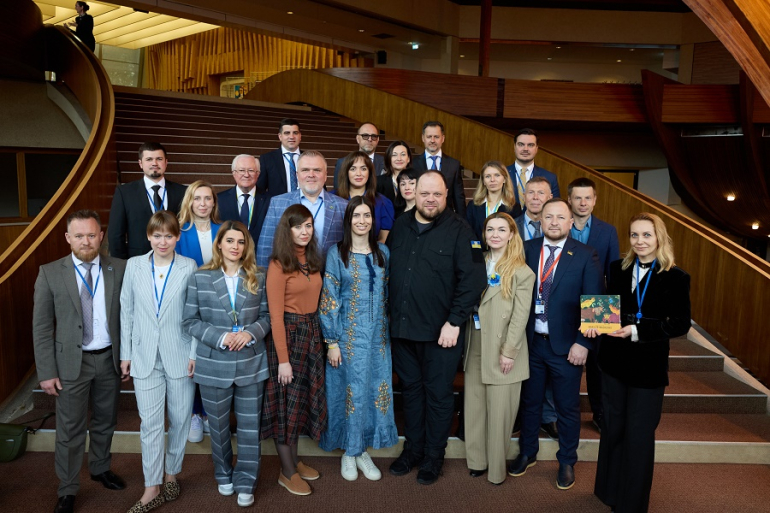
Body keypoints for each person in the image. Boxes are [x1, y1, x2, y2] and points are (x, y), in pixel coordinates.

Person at [387, 171, 486, 485]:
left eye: (437, 194)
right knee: (412, 394)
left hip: (441, 334)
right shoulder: (400, 226)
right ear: (414, 193)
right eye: (425, 193)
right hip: (402, 331)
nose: (430, 199)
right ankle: (413, 450)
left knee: (439, 396)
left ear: (447, 196)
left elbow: (473, 282)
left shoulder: (461, 230)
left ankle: (433, 456)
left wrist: (455, 321)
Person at [590, 213, 691, 513]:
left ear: (659, 238)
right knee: (614, 428)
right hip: (613, 363)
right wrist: (594, 323)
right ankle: (609, 492)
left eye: (646, 235)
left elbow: (680, 324)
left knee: (639, 434)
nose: (640, 241)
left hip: (648, 368)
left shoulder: (676, 276)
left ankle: (631, 504)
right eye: (634, 235)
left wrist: (637, 330)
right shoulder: (617, 268)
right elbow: (606, 308)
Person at [32, 210, 127, 513]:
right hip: (71, 363)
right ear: (68, 238)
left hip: (109, 359)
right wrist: (46, 372)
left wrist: (128, 356)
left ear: (101, 236)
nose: (86, 241)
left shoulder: (120, 268)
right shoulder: (50, 272)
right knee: (70, 430)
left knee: (105, 421)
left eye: (91, 235)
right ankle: (68, 488)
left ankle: (100, 468)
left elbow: (131, 318)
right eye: (79, 236)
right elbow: (42, 327)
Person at [507, 198, 603, 490]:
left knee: (567, 407)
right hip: (532, 343)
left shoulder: (587, 255)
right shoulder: (527, 249)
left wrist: (582, 343)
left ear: (570, 222)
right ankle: (527, 452)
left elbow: (596, 305)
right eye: (549, 217)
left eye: (561, 217)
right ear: (541, 220)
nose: (554, 222)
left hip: (567, 347)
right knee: (530, 403)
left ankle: (567, 461)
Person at [182, 220, 271, 508]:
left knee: (248, 428)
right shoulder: (200, 278)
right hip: (213, 364)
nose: (235, 246)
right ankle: (223, 474)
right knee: (218, 428)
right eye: (230, 241)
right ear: (219, 243)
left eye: (241, 242)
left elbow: (268, 317)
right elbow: (190, 321)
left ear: (247, 246)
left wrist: (249, 333)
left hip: (250, 363)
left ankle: (246, 480)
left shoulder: (259, 275)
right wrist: (220, 337)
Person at [119, 212, 198, 513]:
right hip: (143, 356)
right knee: (150, 424)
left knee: (179, 421)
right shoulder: (134, 265)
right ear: (148, 236)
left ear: (177, 237)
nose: (162, 241)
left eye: (168, 235)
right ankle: (151, 486)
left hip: (179, 354)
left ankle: (171, 476)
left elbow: (195, 313)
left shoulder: (188, 267)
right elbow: (126, 311)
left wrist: (193, 353)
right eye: (157, 235)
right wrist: (126, 353)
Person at [319, 196, 398, 481]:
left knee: (372, 391)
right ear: (348, 220)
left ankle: (361, 449)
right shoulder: (336, 253)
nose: (362, 221)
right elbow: (329, 299)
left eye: (367, 216)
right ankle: (349, 453)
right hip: (346, 340)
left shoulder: (383, 253)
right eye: (357, 216)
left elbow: (388, 297)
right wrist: (332, 342)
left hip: (378, 340)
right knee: (349, 392)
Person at [464, 212, 534, 485]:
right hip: (476, 344)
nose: (494, 234)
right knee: (476, 408)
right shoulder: (475, 262)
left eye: (501, 229)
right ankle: (477, 461)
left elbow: (520, 315)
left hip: (504, 348)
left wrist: (509, 352)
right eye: (490, 229)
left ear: (511, 234)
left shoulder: (521, 270)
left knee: (499, 413)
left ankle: (496, 470)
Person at [263, 205, 327, 496]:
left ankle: (295, 460)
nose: (304, 231)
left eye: (309, 226)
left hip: (311, 334)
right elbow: (275, 317)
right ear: (287, 230)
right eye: (298, 226)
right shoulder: (279, 264)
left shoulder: (313, 260)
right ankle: (286, 472)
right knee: (285, 405)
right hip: (287, 338)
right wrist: (283, 361)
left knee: (300, 403)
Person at [567, 177, 621, 432]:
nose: (583, 202)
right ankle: (562, 416)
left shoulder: (607, 230)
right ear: (569, 200)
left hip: (597, 305)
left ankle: (600, 414)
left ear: (595, 200)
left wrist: (608, 317)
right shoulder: (560, 225)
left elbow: (613, 272)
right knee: (565, 363)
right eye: (578, 197)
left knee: (598, 365)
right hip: (564, 303)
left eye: (588, 197)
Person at [175, 180, 222, 443]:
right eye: (197, 198)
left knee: (211, 361)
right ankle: (194, 413)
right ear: (189, 202)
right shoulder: (179, 232)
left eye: (208, 198)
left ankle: (207, 413)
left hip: (218, 305)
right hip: (189, 304)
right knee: (191, 361)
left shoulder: (222, 229)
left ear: (214, 202)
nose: (203, 203)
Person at [256, 150, 348, 268]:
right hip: (290, 277)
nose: (311, 174)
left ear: (325, 175)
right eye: (305, 170)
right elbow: (266, 247)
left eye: (317, 170)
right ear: (297, 175)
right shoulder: (278, 203)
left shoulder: (343, 206)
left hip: (330, 280)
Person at [108, 142, 186, 259]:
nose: (154, 163)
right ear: (140, 163)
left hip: (175, 259)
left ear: (166, 162)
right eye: (149, 159)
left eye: (159, 159)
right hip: (138, 261)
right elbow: (115, 235)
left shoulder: (182, 192)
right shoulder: (124, 192)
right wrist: (122, 264)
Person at [334, 151, 395, 243]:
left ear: (370, 173)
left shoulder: (383, 202)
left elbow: (384, 239)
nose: (359, 173)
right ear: (346, 172)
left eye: (363, 169)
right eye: (353, 169)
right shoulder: (333, 199)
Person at [411, 121, 467, 217]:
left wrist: (462, 222)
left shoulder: (454, 164)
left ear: (443, 138)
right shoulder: (412, 164)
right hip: (420, 217)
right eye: (429, 137)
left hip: (446, 219)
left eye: (436, 137)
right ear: (423, 138)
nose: (432, 140)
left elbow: (459, 197)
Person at [217, 155, 270, 247]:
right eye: (242, 170)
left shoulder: (270, 200)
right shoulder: (219, 200)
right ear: (234, 173)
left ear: (258, 174)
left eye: (251, 170)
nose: (246, 175)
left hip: (259, 258)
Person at [466, 161, 523, 245]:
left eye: (497, 175)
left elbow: (515, 236)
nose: (492, 180)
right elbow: (468, 233)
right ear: (484, 181)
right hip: (478, 253)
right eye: (488, 176)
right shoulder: (473, 205)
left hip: (504, 254)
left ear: (504, 179)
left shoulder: (514, 207)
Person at [507, 128, 560, 206]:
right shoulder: (501, 174)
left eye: (530, 145)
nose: (525, 149)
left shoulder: (550, 178)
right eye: (521, 144)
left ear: (536, 149)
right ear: (514, 147)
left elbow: (555, 207)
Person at [257, 119, 302, 197]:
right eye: (287, 133)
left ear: (300, 136)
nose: (291, 137)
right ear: (280, 136)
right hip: (278, 207)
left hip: (306, 206)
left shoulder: (310, 158)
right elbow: (260, 190)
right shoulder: (267, 159)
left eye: (295, 133)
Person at [333, 122, 386, 189]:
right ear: (358, 139)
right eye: (365, 136)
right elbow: (338, 192)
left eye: (373, 136)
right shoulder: (342, 163)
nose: (369, 139)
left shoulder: (386, 163)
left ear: (378, 140)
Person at [515, 177, 552, 243]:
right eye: (531, 192)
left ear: (550, 198)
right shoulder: (511, 225)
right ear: (524, 197)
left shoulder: (557, 226)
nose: (535, 197)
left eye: (541, 193)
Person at [376, 140, 412, 206]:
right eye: (394, 155)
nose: (399, 158)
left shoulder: (417, 180)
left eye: (403, 154)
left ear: (408, 159)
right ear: (389, 158)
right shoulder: (378, 182)